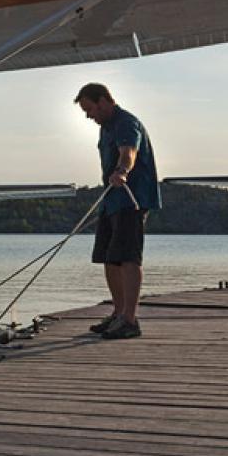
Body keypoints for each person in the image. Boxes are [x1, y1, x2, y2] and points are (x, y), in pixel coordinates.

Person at [74, 83, 161, 340]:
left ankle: (130, 320)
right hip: (111, 202)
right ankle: (118, 313)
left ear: (103, 101)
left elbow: (128, 153)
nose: (88, 116)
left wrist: (122, 171)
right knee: (109, 258)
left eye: (89, 109)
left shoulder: (126, 123)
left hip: (131, 201)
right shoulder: (105, 128)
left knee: (128, 257)